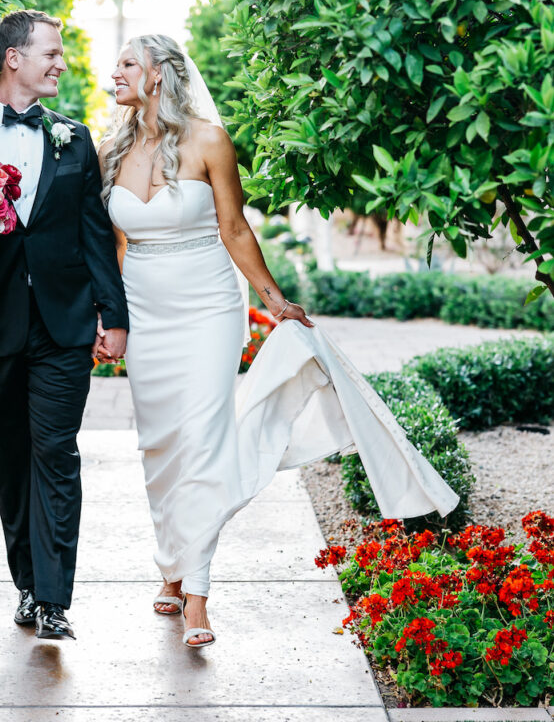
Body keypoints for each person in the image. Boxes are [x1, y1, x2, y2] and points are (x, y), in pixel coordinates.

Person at [97, 33, 458, 650]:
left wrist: (273, 301)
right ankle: (170, 564)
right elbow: (115, 246)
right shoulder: (109, 151)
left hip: (210, 308)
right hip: (147, 309)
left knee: (206, 442)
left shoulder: (209, 140)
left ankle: (198, 598)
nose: (114, 73)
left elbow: (234, 228)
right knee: (160, 447)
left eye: (127, 63)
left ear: (158, 74)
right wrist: (108, 319)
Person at [0, 9, 128, 641]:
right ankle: (28, 585)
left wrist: (112, 316)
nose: (60, 63)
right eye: (51, 53)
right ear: (14, 58)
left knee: (56, 452)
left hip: (63, 325)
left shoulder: (75, 137)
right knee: (12, 456)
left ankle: (55, 598)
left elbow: (95, 235)